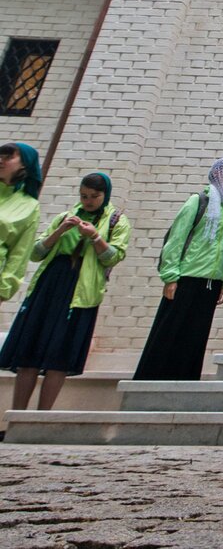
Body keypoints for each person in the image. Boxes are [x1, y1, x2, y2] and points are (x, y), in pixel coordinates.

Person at [1, 172, 130, 410]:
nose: (88, 201)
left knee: (59, 355)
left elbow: (113, 257)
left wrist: (94, 236)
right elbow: (36, 253)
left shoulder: (116, 221)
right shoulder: (65, 216)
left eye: (94, 196)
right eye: (84, 196)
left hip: (81, 291)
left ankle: (42, 416)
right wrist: (60, 231)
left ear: (105, 195)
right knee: (30, 348)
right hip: (50, 284)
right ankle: (17, 415)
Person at [134, 158, 223, 381]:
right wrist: (171, 276)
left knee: (195, 337)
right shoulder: (198, 200)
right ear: (218, 172)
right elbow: (177, 238)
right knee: (169, 331)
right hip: (187, 278)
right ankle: (150, 381)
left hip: (212, 282)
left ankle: (185, 382)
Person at [0, 142, 42, 310]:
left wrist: (3, 292)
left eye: (9, 156)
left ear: (25, 164)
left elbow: (19, 254)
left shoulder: (29, 206)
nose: (1, 160)